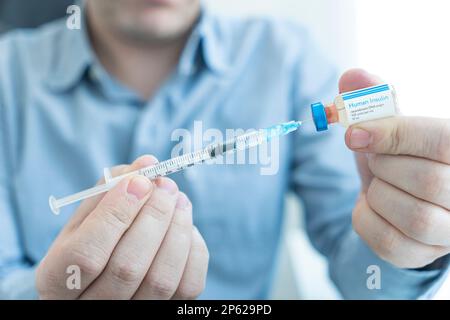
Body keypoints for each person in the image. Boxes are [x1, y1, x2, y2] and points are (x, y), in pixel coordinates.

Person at [0, 0, 449, 299]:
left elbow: (360, 276)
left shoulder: (285, 56)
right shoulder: (8, 74)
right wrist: (48, 292)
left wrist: (404, 239)